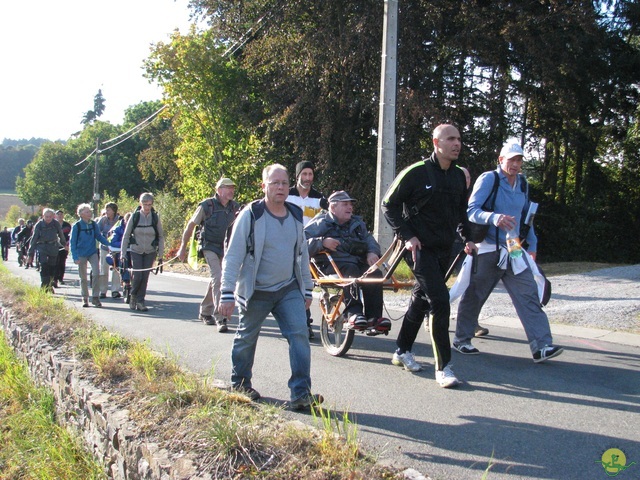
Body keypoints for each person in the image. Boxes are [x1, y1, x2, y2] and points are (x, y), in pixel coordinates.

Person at [218, 164, 323, 410]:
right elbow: (233, 256)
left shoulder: (296, 214)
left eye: (285, 183)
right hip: (257, 291)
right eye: (275, 183)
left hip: (288, 289)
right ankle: (240, 384)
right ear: (263, 186)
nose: (280, 187)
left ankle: (301, 394)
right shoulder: (251, 214)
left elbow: (302, 254)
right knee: (246, 337)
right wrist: (226, 293)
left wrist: (307, 288)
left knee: (299, 336)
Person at [452, 142, 564, 363]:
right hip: (488, 247)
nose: (515, 164)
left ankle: (542, 346)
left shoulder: (522, 183)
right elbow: (471, 211)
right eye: (511, 159)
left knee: (528, 293)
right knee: (475, 294)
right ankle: (462, 339)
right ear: (500, 159)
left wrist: (532, 245)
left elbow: (526, 217)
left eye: (519, 160)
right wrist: (494, 217)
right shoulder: (489, 179)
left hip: (513, 248)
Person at [382, 123, 473, 388]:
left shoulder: (458, 176)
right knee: (440, 300)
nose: (457, 143)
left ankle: (401, 350)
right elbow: (389, 204)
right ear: (436, 143)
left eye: (459, 138)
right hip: (418, 250)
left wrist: (467, 238)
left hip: (445, 249)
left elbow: (461, 213)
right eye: (451, 139)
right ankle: (444, 368)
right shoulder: (415, 173)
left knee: (422, 300)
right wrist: (407, 236)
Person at [304, 190, 391, 333]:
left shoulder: (357, 223)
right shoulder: (321, 222)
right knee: (352, 271)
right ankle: (353, 313)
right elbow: (301, 242)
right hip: (329, 265)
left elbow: (370, 241)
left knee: (375, 273)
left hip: (354, 262)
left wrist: (372, 252)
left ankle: (373, 318)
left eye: (350, 204)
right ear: (333, 207)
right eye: (345, 204)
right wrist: (322, 242)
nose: (350, 207)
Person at [177, 178, 241, 332]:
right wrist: (182, 247)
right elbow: (190, 226)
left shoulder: (235, 207)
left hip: (227, 248)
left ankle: (205, 311)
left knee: (217, 279)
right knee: (218, 278)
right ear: (219, 190)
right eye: (228, 188)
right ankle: (221, 317)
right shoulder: (206, 206)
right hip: (209, 247)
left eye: (233, 188)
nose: (232, 190)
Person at [286, 161, 329, 339]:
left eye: (310, 174)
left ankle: (309, 322)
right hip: (288, 246)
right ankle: (300, 322)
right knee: (294, 286)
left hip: (311, 249)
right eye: (304, 174)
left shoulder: (320, 199)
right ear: (297, 176)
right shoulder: (287, 195)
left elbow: (328, 222)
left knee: (307, 285)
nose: (308, 178)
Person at [449, 166, 489, 338]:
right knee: (449, 285)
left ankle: (471, 322)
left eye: (467, 177)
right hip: (450, 245)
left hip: (471, 247)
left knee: (473, 284)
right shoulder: (449, 195)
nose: (465, 180)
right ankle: (432, 311)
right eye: (461, 176)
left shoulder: (476, 198)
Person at [120, 193, 165, 312]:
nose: (147, 207)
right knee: (138, 276)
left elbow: (160, 236)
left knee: (145, 277)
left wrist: (161, 255)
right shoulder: (134, 217)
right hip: (136, 250)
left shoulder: (155, 217)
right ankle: (133, 295)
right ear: (141, 204)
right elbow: (126, 236)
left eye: (149, 205)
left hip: (150, 251)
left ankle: (140, 301)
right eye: (145, 204)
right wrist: (123, 254)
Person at [70, 203, 111, 307]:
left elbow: (99, 236)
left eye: (90, 211)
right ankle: (85, 298)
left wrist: (109, 244)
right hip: (81, 254)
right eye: (87, 212)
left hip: (92, 252)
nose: (90, 213)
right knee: (83, 277)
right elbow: (72, 242)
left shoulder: (93, 224)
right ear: (81, 214)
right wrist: (75, 257)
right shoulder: (77, 226)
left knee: (96, 274)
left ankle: (95, 298)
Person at [28, 208, 66, 291]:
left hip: (53, 246)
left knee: (52, 267)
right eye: (46, 216)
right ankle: (44, 285)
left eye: (50, 216)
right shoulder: (39, 225)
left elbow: (61, 235)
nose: (48, 218)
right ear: (43, 216)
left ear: (53, 216)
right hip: (42, 247)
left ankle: (49, 285)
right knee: (44, 266)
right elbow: (34, 239)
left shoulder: (56, 224)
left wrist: (64, 245)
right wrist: (30, 253)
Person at [97, 202, 122, 299]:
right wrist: (103, 240)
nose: (106, 212)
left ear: (114, 210)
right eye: (106, 210)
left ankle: (115, 290)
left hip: (116, 248)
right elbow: (97, 232)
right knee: (103, 269)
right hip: (104, 248)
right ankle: (103, 290)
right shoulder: (103, 220)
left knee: (116, 268)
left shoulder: (119, 220)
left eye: (108, 210)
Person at [54, 209, 72, 287]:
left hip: (64, 246)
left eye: (61, 214)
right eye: (58, 214)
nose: (60, 216)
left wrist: (67, 245)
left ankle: (61, 278)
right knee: (55, 263)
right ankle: (55, 279)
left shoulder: (67, 225)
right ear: (56, 216)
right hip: (54, 246)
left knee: (62, 262)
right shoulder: (53, 224)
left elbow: (70, 236)